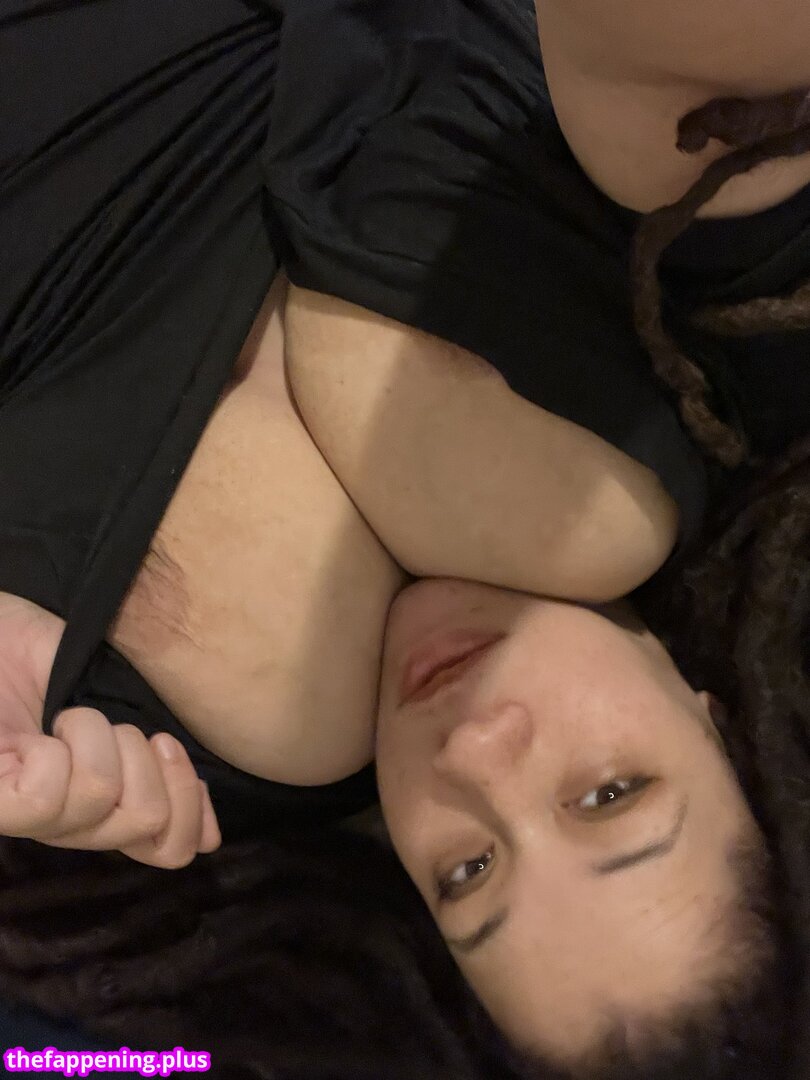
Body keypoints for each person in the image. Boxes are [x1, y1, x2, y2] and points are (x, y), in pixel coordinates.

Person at [0, 0, 809, 1076]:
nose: (472, 754)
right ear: (717, 725)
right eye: (609, 794)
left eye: (466, 872)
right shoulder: (720, 368)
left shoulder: (143, 776)